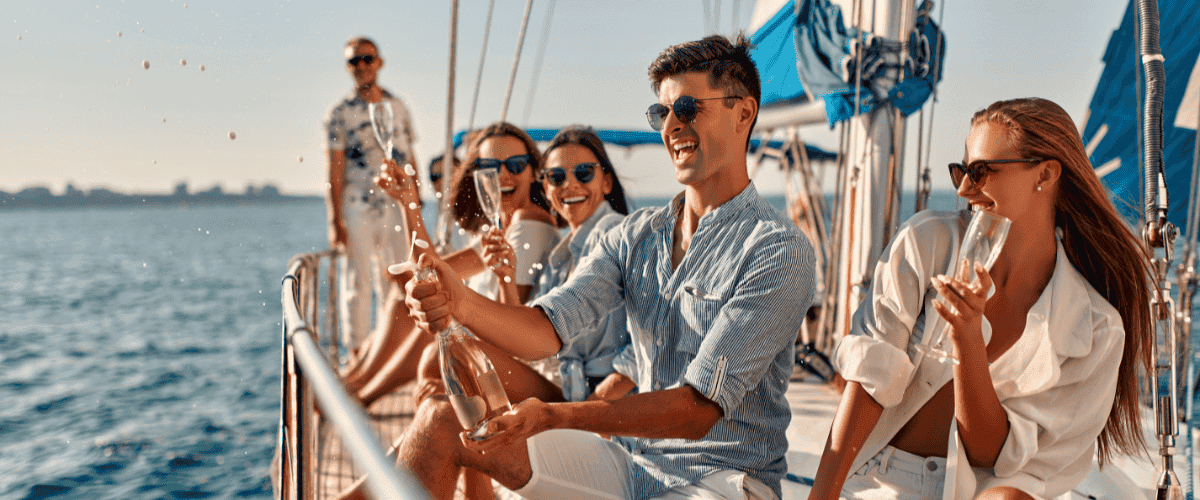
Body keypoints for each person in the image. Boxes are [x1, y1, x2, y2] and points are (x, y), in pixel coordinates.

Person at [365, 34, 815, 500]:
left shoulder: (777, 250)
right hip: (632, 462)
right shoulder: (634, 236)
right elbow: (545, 329)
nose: (672, 127)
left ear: (743, 113)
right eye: (662, 114)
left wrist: (556, 415)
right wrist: (459, 301)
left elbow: (695, 412)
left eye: (688, 108)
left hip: (721, 481)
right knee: (439, 420)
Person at [806, 97, 1153, 500]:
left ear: (1045, 174)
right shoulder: (927, 244)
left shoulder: (1095, 328)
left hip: (978, 489)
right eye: (961, 170)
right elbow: (869, 381)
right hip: (876, 477)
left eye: (981, 171)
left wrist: (967, 338)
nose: (964, 189)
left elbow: (991, 455)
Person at [402, 124, 640, 500]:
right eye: (557, 176)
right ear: (546, 186)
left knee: (443, 408)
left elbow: (654, 338)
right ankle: (475, 489)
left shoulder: (618, 236)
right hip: (567, 389)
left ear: (607, 182)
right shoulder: (564, 252)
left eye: (584, 173)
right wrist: (507, 278)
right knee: (443, 383)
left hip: (592, 404)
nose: (570, 185)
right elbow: (530, 334)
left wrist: (595, 409)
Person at [340, 122, 561, 407]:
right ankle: (355, 383)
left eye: (516, 165)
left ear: (534, 172)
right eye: (490, 166)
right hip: (496, 350)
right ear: (477, 174)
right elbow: (429, 269)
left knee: (440, 308)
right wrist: (409, 202)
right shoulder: (502, 228)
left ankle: (361, 392)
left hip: (526, 367)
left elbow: (513, 324)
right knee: (414, 302)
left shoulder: (529, 224)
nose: (502, 174)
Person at [324, 36, 418, 349]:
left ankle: (395, 352)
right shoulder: (339, 113)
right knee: (358, 282)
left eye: (367, 58)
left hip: (397, 205)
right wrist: (334, 219)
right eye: (354, 61)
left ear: (379, 62)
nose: (361, 65)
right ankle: (357, 353)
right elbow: (334, 170)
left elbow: (410, 160)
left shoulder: (399, 107)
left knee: (400, 280)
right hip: (357, 206)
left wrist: (415, 207)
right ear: (348, 67)